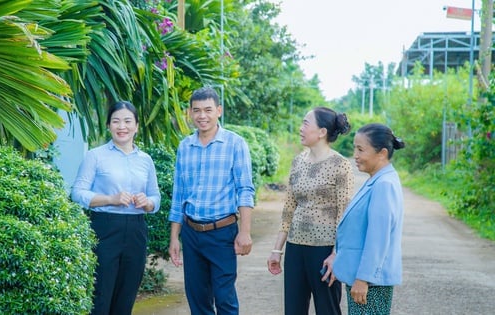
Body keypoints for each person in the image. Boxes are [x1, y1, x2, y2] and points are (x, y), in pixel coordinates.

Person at [167, 86, 255, 315]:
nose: (202, 116)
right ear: (190, 113)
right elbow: (179, 195)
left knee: (224, 298)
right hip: (191, 233)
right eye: (197, 110)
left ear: (219, 110)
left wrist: (244, 232)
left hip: (222, 233)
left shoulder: (235, 144)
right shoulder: (185, 146)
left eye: (208, 110)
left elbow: (245, 189)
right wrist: (174, 237)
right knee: (197, 300)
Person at [71, 101, 161, 315]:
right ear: (108, 125)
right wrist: (110, 199)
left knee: (127, 293)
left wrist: (147, 203)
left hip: (136, 230)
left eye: (128, 121)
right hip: (104, 228)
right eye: (116, 121)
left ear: (137, 126)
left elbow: (155, 197)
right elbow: (78, 193)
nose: (122, 126)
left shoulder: (146, 160)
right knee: (100, 294)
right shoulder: (96, 155)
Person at [267, 106, 354, 315]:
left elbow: (345, 215)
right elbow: (289, 208)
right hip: (295, 247)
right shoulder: (298, 161)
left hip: (325, 251)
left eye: (306, 123)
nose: (301, 128)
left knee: (327, 310)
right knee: (293, 310)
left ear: (322, 131)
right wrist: (277, 249)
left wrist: (336, 254)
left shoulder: (340, 165)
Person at [325, 123, 405, 315]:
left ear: (382, 153)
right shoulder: (376, 180)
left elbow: (378, 238)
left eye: (361, 149)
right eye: (355, 148)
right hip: (363, 280)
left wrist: (363, 278)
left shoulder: (383, 184)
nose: (356, 155)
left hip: (370, 283)